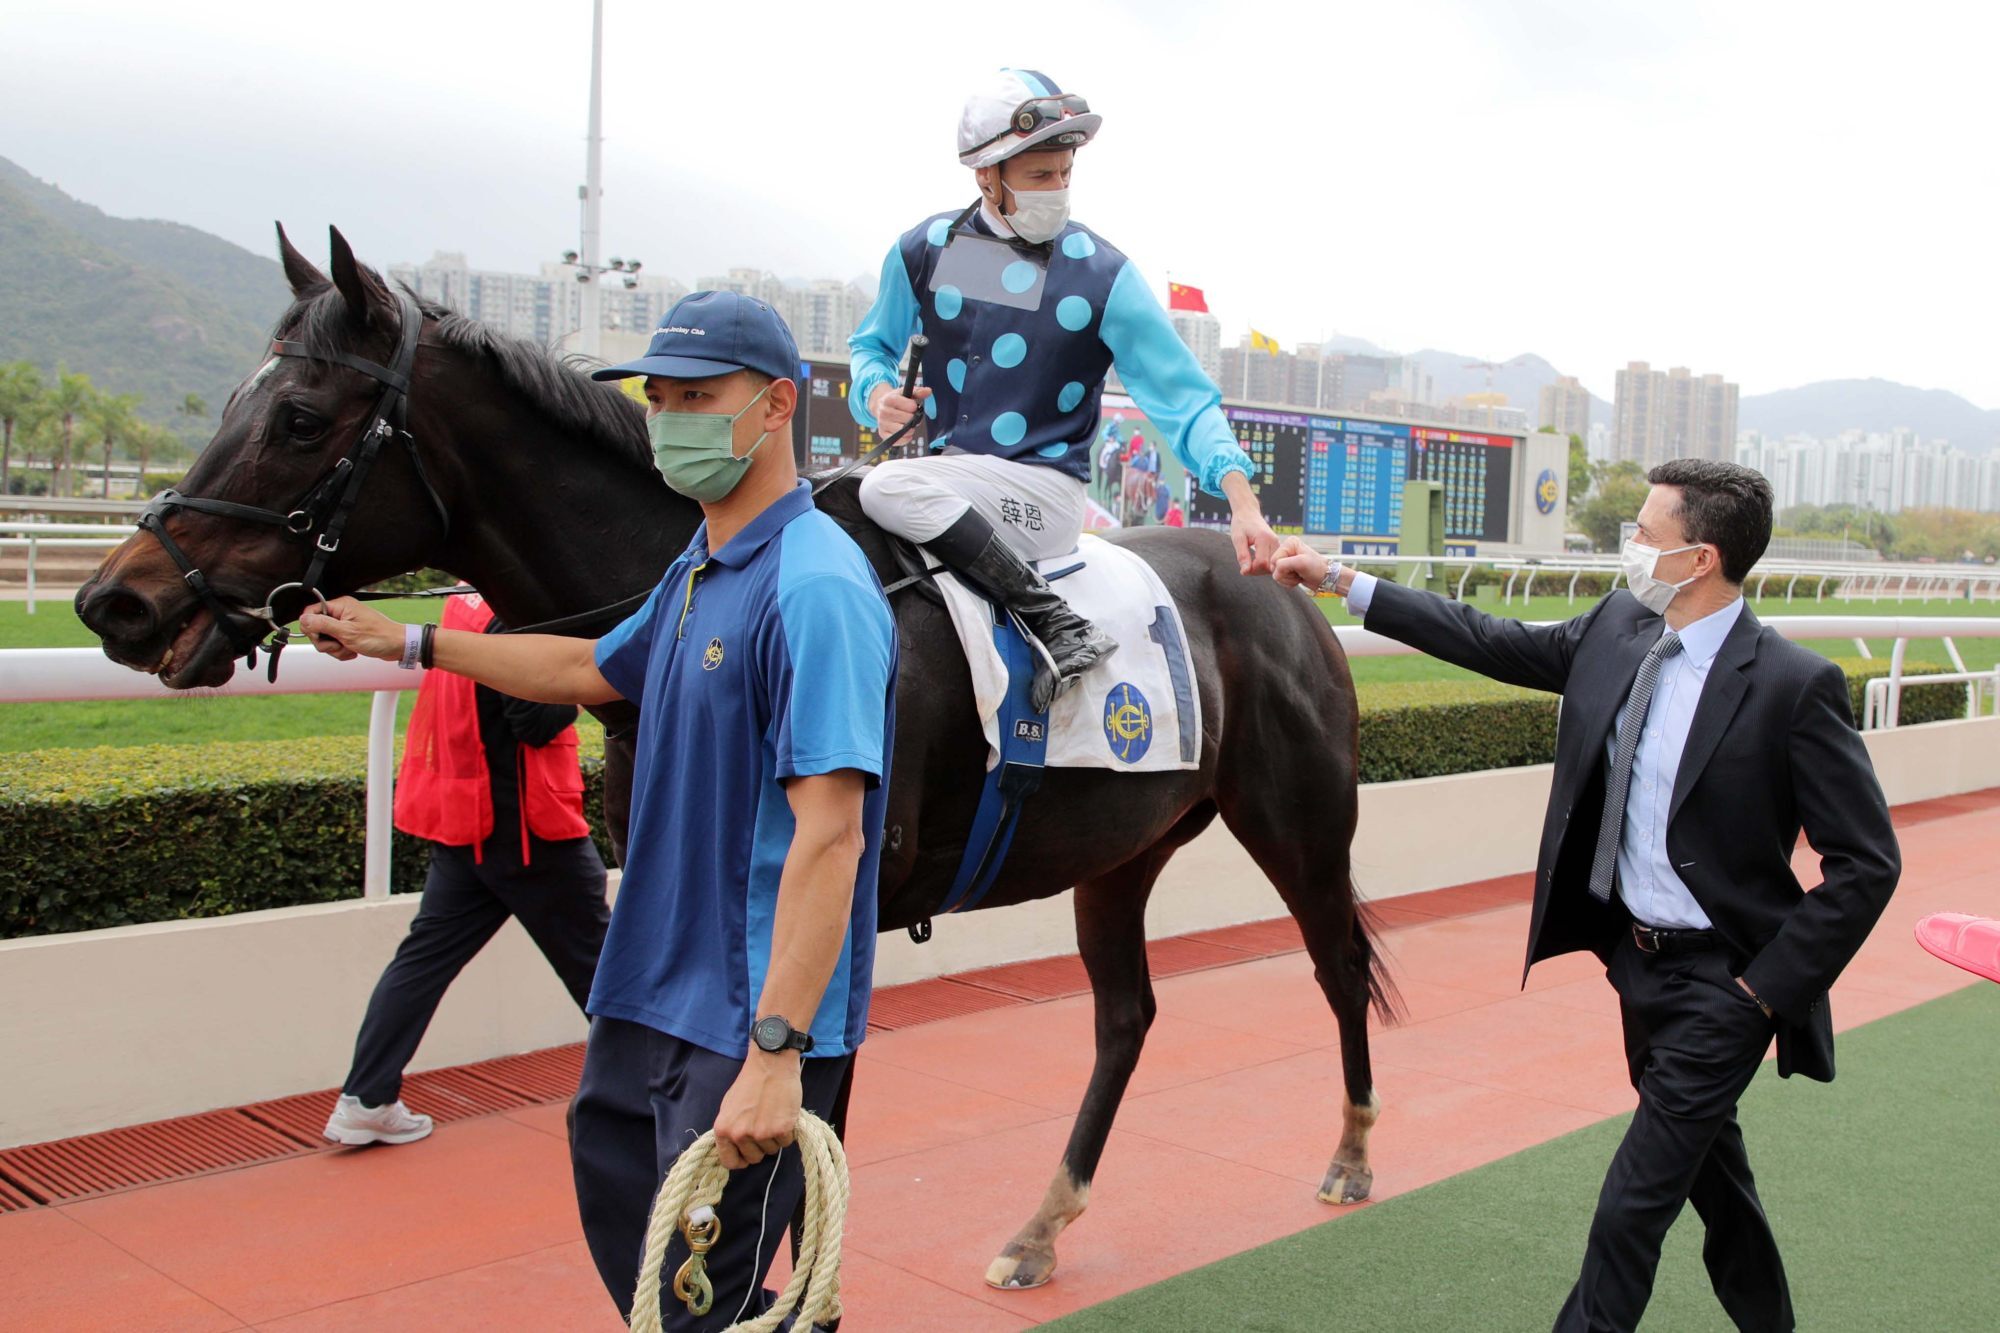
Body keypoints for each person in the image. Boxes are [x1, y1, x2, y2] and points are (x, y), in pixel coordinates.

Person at [300, 291, 897, 1326]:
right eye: (659, 398)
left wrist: (775, 1053)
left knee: (709, 1299)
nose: (671, 419)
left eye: (698, 396)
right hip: (646, 990)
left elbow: (831, 832)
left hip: (746, 1018)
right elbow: (584, 662)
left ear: (775, 408)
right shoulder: (696, 570)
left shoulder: (817, 588)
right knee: (648, 1271)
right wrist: (404, 642)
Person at [1274, 458, 1901, 1332]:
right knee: (1718, 1186)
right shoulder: (1619, 628)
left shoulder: (1795, 686)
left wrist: (1762, 991)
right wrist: (1342, 578)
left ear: (1701, 558)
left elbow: (1868, 862)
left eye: (1646, 532)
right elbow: (1491, 638)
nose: (1630, 546)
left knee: (1630, 1210)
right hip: (1636, 968)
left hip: (1728, 986)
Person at [850, 67, 1281, 710]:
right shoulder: (925, 250)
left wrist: (1242, 504)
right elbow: (872, 347)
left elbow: (1183, 397)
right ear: (985, 176)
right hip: (952, 485)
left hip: (1041, 494)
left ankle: (1057, 622)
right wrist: (877, 394)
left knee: (881, 485)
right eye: (1039, 177)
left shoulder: (1103, 275)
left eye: (1065, 174)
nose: (1057, 191)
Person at [325, 590, 607, 1147]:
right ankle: (653, 1095)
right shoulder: (517, 614)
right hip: (528, 833)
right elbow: (535, 720)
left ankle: (366, 1099)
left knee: (422, 963)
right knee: (608, 973)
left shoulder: (464, 609)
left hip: (465, 826)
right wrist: (585, 679)